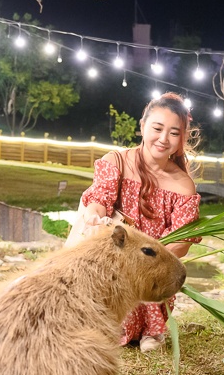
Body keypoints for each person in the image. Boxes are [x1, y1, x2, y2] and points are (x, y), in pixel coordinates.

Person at [80, 92, 200, 352]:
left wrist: (151, 261)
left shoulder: (183, 185)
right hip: (116, 262)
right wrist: (93, 216)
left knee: (152, 285)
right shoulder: (117, 162)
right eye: (157, 128)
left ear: (181, 139)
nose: (163, 139)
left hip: (151, 265)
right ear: (142, 126)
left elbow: (181, 240)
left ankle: (152, 330)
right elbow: (100, 199)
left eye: (174, 133)